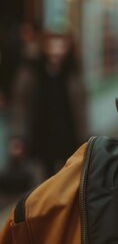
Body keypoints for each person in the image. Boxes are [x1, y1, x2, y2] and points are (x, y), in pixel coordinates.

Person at [9, 31, 86, 179]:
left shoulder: (72, 72)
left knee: (66, 177)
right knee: (43, 178)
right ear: (44, 46)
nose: (57, 49)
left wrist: (85, 137)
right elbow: (20, 105)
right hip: (41, 134)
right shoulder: (32, 71)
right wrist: (17, 136)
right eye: (52, 44)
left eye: (61, 45)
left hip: (66, 134)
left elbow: (80, 108)